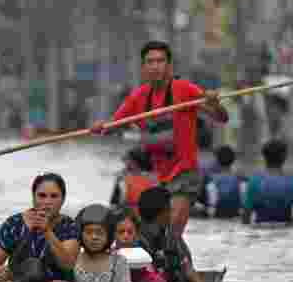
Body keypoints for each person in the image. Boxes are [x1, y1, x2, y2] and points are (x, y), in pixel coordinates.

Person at [91, 40, 229, 237]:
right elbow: (112, 126)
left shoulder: (184, 89)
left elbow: (221, 117)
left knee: (172, 231)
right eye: (150, 62)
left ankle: (178, 264)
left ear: (169, 65)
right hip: (159, 179)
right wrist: (101, 127)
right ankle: (183, 267)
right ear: (143, 67)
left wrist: (215, 104)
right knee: (155, 234)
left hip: (185, 175)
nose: (155, 66)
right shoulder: (138, 97)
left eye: (160, 61)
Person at [0, 173, 79, 282]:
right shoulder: (14, 223)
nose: (47, 202)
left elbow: (68, 264)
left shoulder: (69, 226)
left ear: (63, 199)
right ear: (33, 197)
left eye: (54, 196)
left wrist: (47, 232)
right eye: (42, 196)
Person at [135, 186, 205, 282]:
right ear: (163, 213)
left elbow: (188, 268)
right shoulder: (171, 238)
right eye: (170, 210)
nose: (172, 214)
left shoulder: (171, 237)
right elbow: (190, 271)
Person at [73, 204, 134, 282]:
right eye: (88, 232)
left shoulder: (119, 262)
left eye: (100, 232)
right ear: (80, 233)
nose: (94, 237)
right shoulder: (73, 260)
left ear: (109, 235)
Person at [242, 139, 293, 225]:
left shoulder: (254, 182)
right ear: (284, 157)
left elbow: (245, 218)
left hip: (260, 231)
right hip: (287, 231)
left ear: (264, 157)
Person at [204, 145, 245, 219]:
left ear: (217, 160)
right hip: (235, 217)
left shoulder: (210, 180)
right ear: (233, 160)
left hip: (214, 217)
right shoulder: (241, 180)